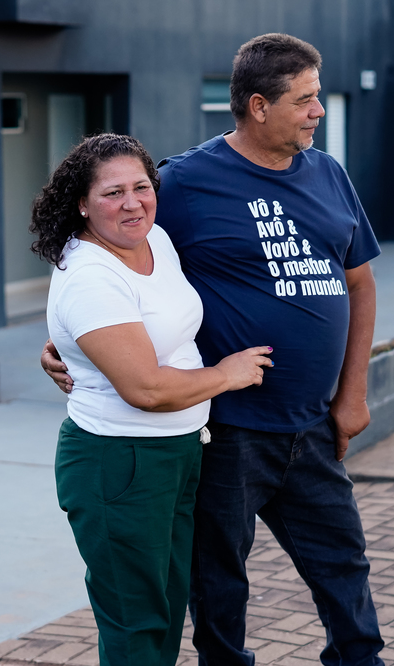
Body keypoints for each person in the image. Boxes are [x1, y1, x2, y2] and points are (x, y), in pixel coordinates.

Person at [43, 34, 385, 666]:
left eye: (318, 97)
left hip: (312, 423)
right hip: (227, 429)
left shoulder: (330, 174)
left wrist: (353, 394)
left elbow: (359, 282)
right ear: (258, 105)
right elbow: (107, 246)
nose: (318, 110)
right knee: (216, 581)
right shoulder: (184, 182)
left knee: (344, 563)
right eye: (305, 99)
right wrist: (69, 342)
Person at [31, 132, 274, 666]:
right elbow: (145, 389)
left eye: (141, 187)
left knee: (163, 607)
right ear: (82, 203)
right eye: (113, 192)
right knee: (135, 622)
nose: (132, 203)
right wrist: (226, 374)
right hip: (120, 460)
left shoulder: (154, 241)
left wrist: (68, 345)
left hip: (177, 451)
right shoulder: (91, 276)